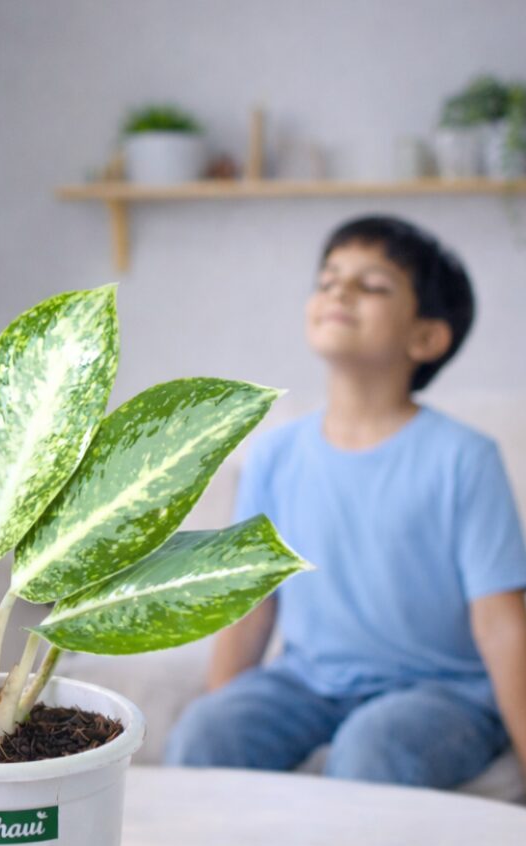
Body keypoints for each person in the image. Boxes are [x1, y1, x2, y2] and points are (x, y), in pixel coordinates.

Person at [164, 215, 526, 789]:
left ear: (426, 337)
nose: (339, 292)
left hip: (442, 694)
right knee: (206, 732)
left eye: (372, 285)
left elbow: (501, 623)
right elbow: (250, 607)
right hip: (308, 684)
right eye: (328, 280)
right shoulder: (274, 454)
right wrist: (222, 707)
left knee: (373, 746)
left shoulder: (465, 458)